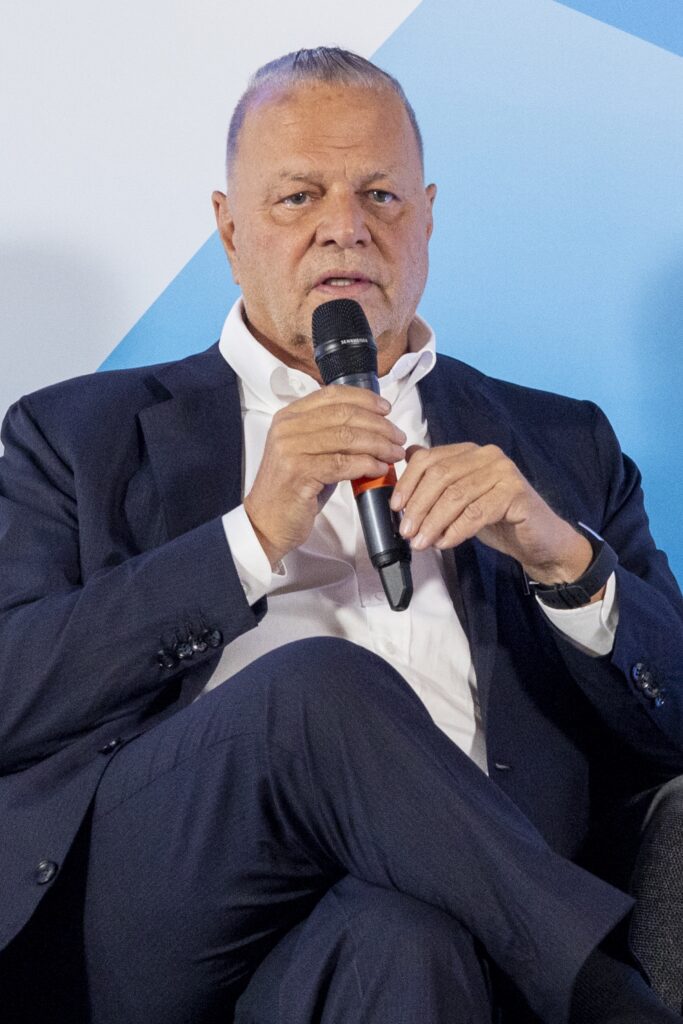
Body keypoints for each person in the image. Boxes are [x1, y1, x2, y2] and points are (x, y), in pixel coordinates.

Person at [0, 46, 681, 1024]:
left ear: (429, 216)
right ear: (228, 228)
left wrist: (561, 562)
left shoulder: (556, 444)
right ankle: (602, 998)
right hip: (169, 907)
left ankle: (532, 949)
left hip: (440, 920)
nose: (343, 230)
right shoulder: (76, 434)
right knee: (316, 684)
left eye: (379, 195)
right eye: (296, 198)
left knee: (403, 941)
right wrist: (249, 534)